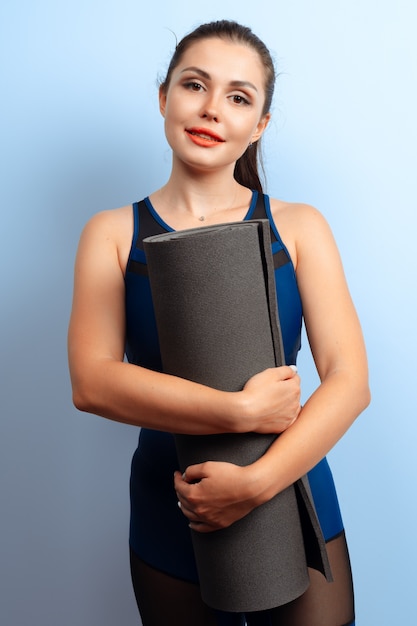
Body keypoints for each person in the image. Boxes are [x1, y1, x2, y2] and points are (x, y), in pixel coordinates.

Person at [68, 19, 370, 626]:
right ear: (164, 96)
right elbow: (92, 383)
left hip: (290, 484)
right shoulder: (112, 233)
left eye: (238, 97)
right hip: (171, 499)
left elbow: (350, 382)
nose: (211, 110)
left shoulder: (300, 226)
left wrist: (258, 484)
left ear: (258, 126)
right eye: (194, 85)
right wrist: (240, 413)